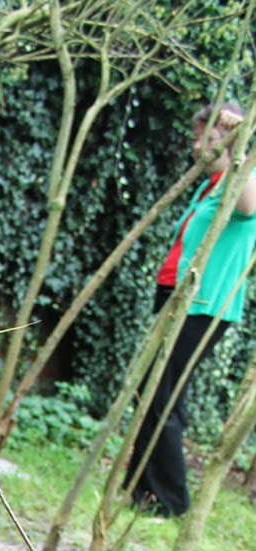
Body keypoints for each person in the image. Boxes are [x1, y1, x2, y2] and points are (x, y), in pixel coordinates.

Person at [129, 101, 256, 519]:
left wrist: (240, 139)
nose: (195, 145)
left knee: (160, 393)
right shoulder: (210, 185)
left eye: (206, 138)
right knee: (155, 389)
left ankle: (170, 501)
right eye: (195, 137)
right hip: (174, 297)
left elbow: (249, 207)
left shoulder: (239, 184)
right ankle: (143, 490)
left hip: (204, 306)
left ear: (230, 143)